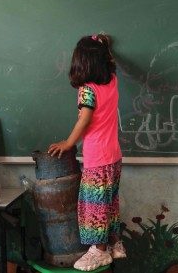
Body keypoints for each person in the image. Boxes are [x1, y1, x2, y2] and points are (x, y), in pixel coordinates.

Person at [48, 33, 126, 271]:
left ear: (81, 63)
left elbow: (85, 119)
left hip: (97, 157)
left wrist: (68, 143)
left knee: (95, 206)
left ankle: (99, 251)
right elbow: (111, 62)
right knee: (109, 201)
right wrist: (104, 45)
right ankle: (115, 244)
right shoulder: (111, 81)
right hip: (114, 156)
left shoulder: (87, 90)